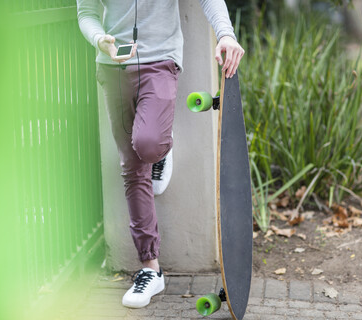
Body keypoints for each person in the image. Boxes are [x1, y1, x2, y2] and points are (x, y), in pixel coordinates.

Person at [76, 0, 244, 309]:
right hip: (113, 65)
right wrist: (100, 39)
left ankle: (160, 150)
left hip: (160, 62)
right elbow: (86, 12)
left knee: (148, 143)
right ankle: (150, 269)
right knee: (132, 168)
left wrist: (226, 34)